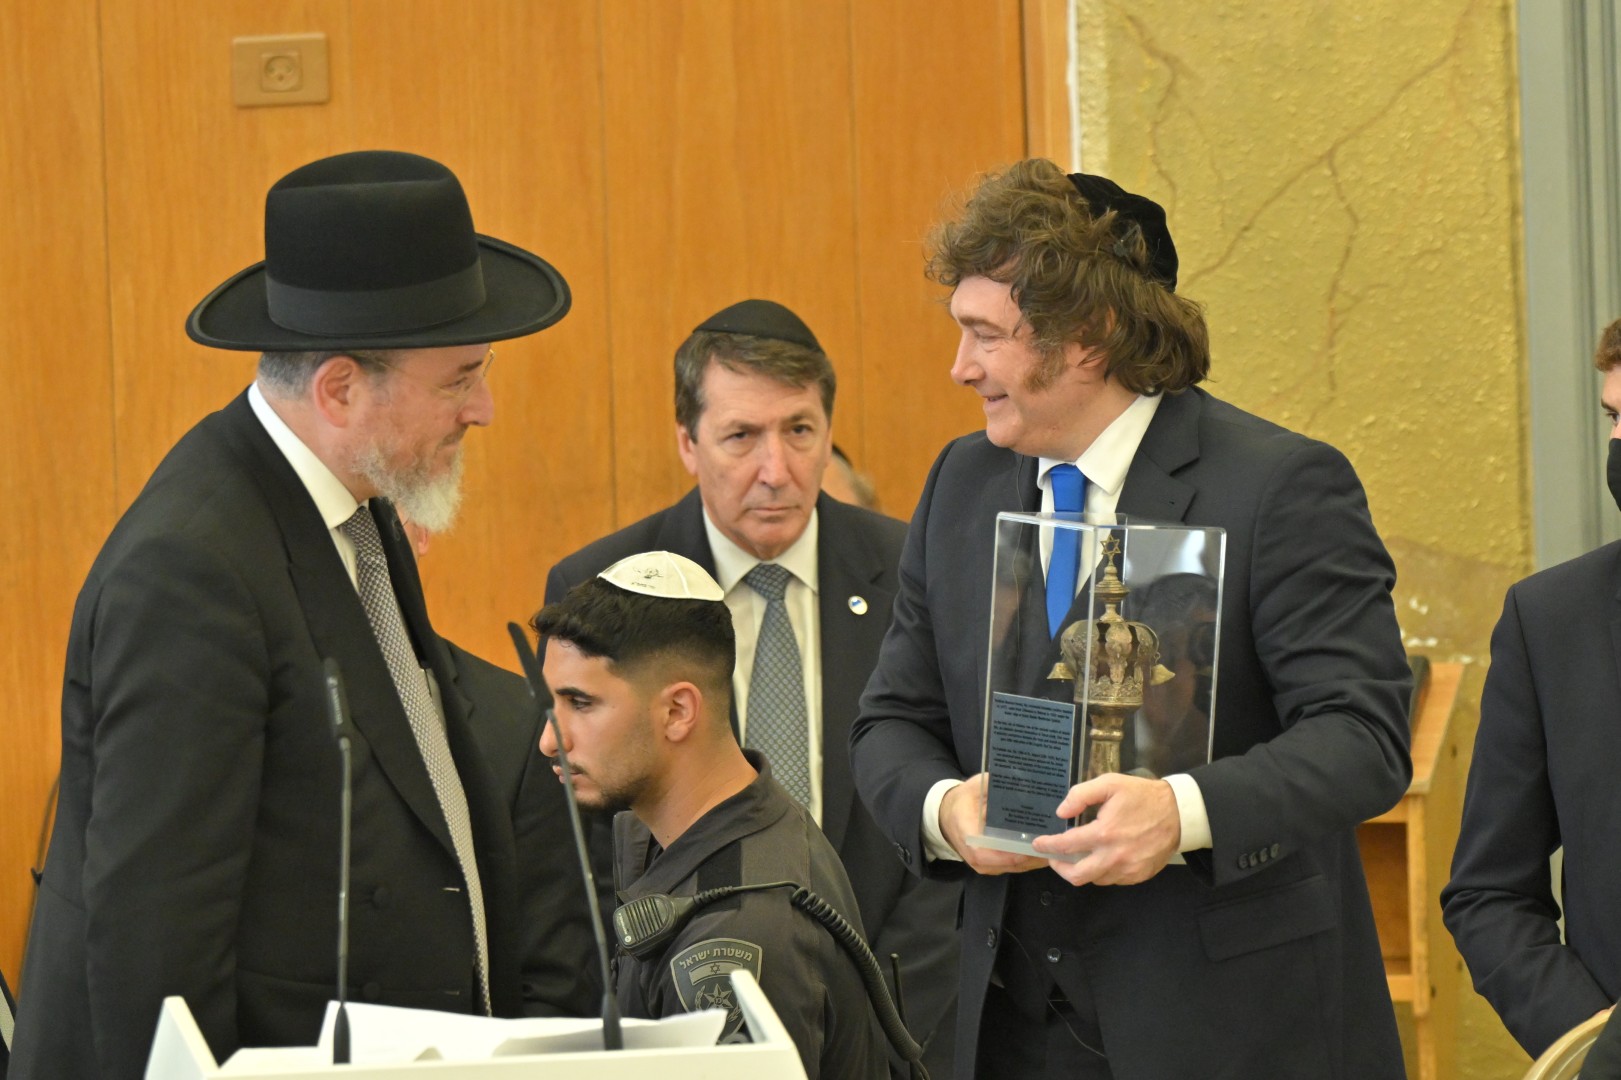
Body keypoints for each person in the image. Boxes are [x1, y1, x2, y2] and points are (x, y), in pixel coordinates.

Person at [10, 150, 597, 1079]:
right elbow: (156, 955)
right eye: (457, 380)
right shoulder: (189, 573)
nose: (483, 409)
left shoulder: (354, 502)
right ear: (339, 390)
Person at [848, 159, 1413, 1079]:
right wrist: (946, 810)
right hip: (1009, 1029)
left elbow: (1363, 736)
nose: (960, 368)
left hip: (1226, 1028)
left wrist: (1180, 813)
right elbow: (889, 722)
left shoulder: (1278, 486)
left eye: (984, 335)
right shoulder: (961, 484)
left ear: (1089, 336)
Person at [545, 299, 961, 1074]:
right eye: (741, 436)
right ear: (687, 442)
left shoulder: (913, 571)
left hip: (894, 1024)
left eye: (799, 431)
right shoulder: (604, 584)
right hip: (684, 1019)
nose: (776, 470)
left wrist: (871, 1020)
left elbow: (947, 802)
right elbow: (583, 838)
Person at [531, 552, 889, 1079]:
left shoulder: (742, 937)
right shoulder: (686, 829)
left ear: (678, 711)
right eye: (551, 703)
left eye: (580, 703)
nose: (549, 741)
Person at [1441, 317, 1621, 1058]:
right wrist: (1593, 1048)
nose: (1618, 446)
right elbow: (1489, 893)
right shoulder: (1551, 620)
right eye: (1613, 418)